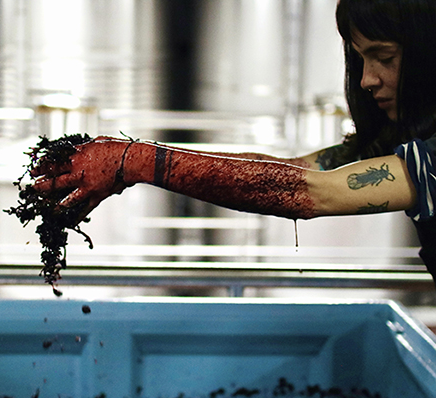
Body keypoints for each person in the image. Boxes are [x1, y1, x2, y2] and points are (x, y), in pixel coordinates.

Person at [30, 0, 436, 284]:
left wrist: (136, 161)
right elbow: (294, 170)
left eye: (384, 57)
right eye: (361, 59)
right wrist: (135, 160)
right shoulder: (400, 142)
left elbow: (316, 192)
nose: (367, 79)